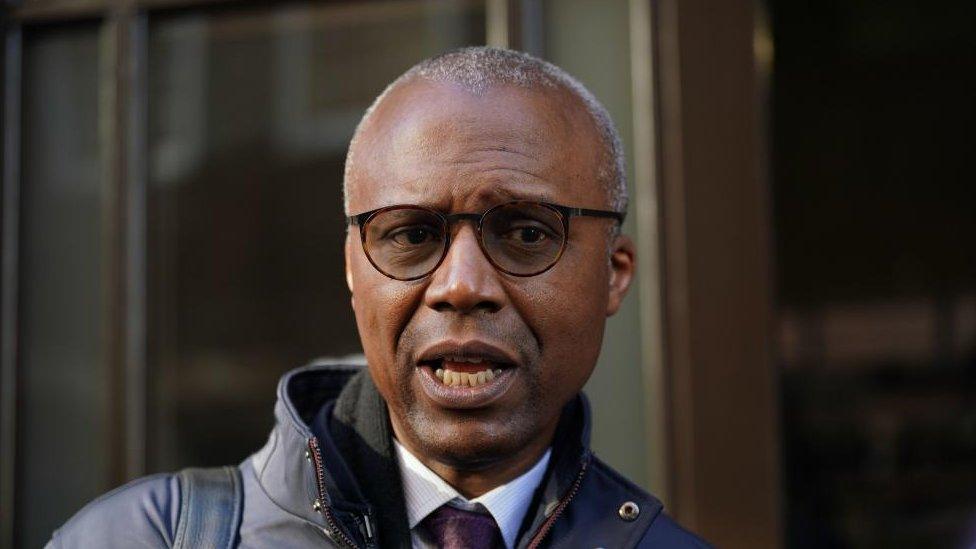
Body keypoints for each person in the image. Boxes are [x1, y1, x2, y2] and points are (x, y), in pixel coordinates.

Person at [48, 47, 710, 548]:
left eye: (527, 233)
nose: (460, 285)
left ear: (615, 272)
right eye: (411, 235)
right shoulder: (142, 537)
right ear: (352, 268)